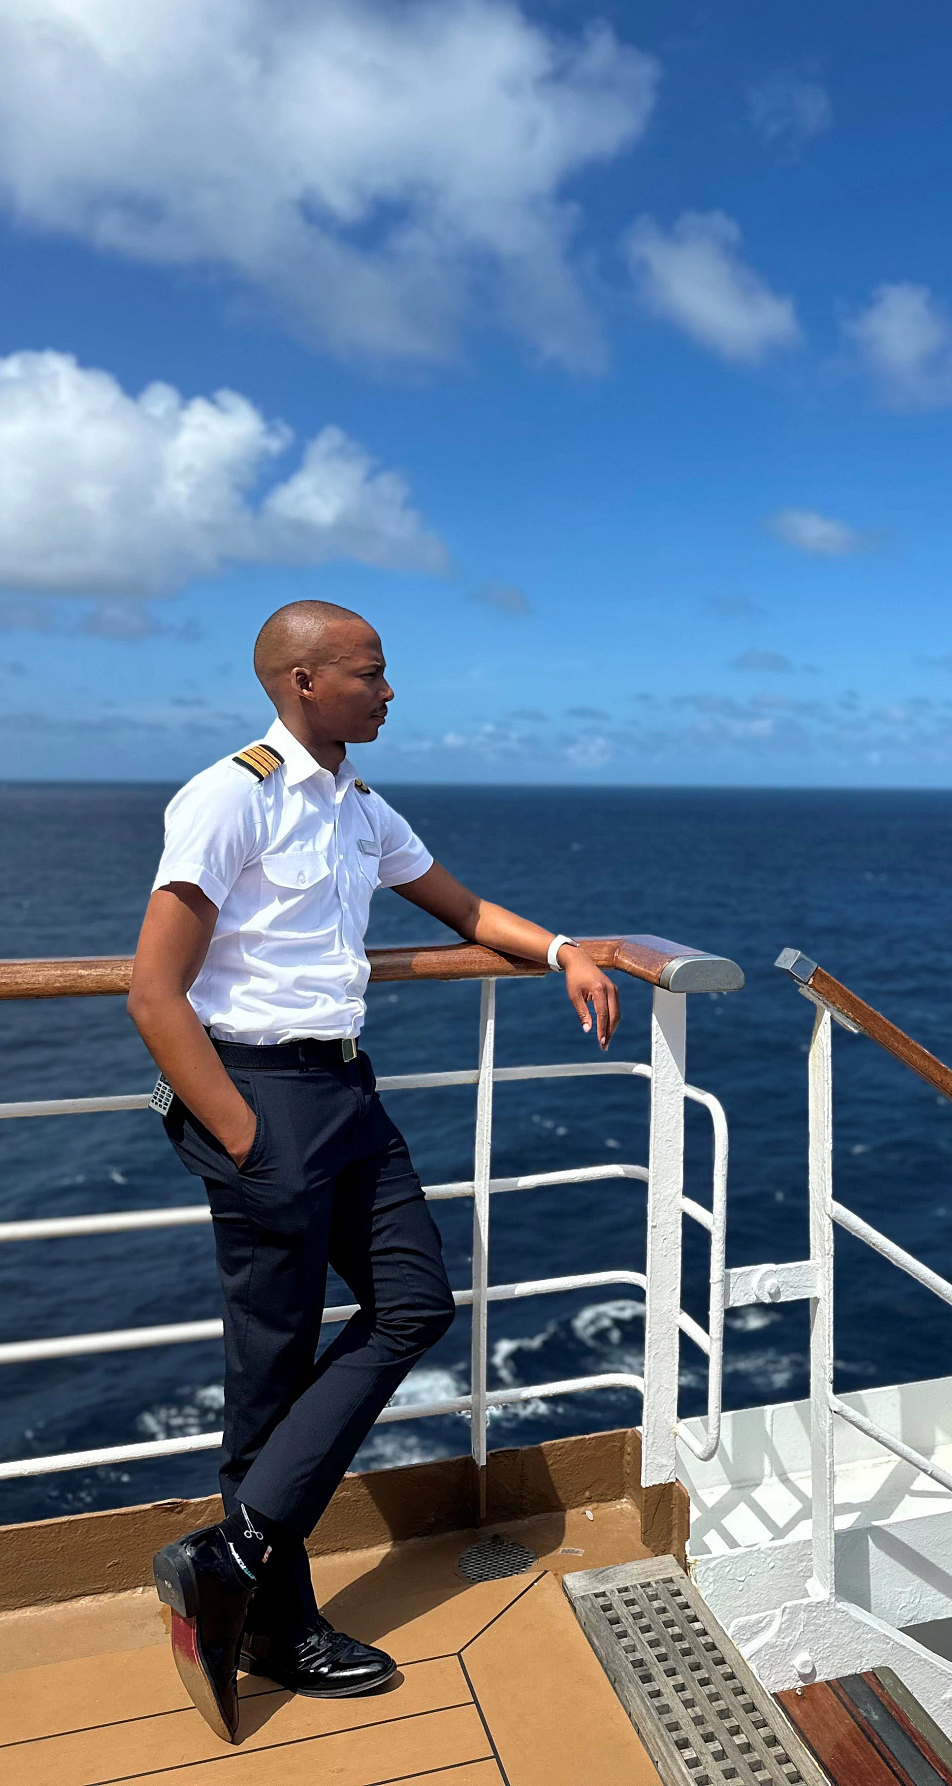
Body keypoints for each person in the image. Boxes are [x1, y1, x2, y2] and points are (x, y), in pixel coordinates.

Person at [128, 598, 620, 1744]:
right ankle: (275, 1620)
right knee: (272, 1369)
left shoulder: (358, 804)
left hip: (348, 1092)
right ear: (304, 681)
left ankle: (234, 1549)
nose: (390, 692)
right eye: (371, 673)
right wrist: (242, 1134)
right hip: (262, 1098)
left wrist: (561, 949)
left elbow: (462, 904)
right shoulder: (229, 796)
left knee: (414, 1301)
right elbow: (156, 990)